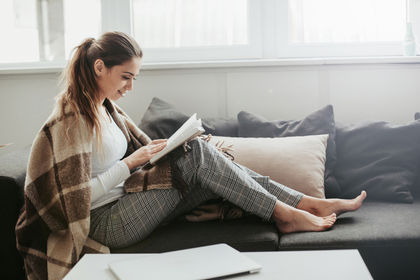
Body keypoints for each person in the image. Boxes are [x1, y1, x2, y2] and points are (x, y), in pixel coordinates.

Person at [16, 31, 366, 280]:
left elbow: (140, 155)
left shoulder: (107, 110)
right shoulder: (70, 120)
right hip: (106, 222)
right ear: (99, 68)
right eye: (125, 76)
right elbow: (75, 202)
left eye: (134, 77)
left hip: (129, 202)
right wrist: (130, 164)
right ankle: (288, 213)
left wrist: (163, 150)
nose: (130, 87)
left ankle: (305, 203)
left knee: (214, 164)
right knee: (199, 157)